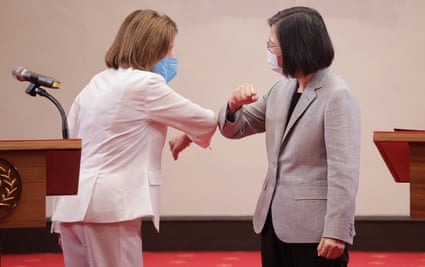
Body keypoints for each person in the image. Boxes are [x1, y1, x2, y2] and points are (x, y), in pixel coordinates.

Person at [51, 9, 217, 267]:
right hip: (110, 209)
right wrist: (189, 135)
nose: (173, 58)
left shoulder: (96, 82)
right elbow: (205, 120)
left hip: (72, 205)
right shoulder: (146, 84)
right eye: (170, 49)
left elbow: (70, 140)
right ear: (154, 48)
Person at [218, 6, 360, 267]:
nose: (269, 51)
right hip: (273, 222)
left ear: (296, 47)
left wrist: (337, 231)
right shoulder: (282, 89)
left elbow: (344, 171)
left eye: (272, 44)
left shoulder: (337, 95)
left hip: (315, 232)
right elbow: (236, 128)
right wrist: (233, 106)